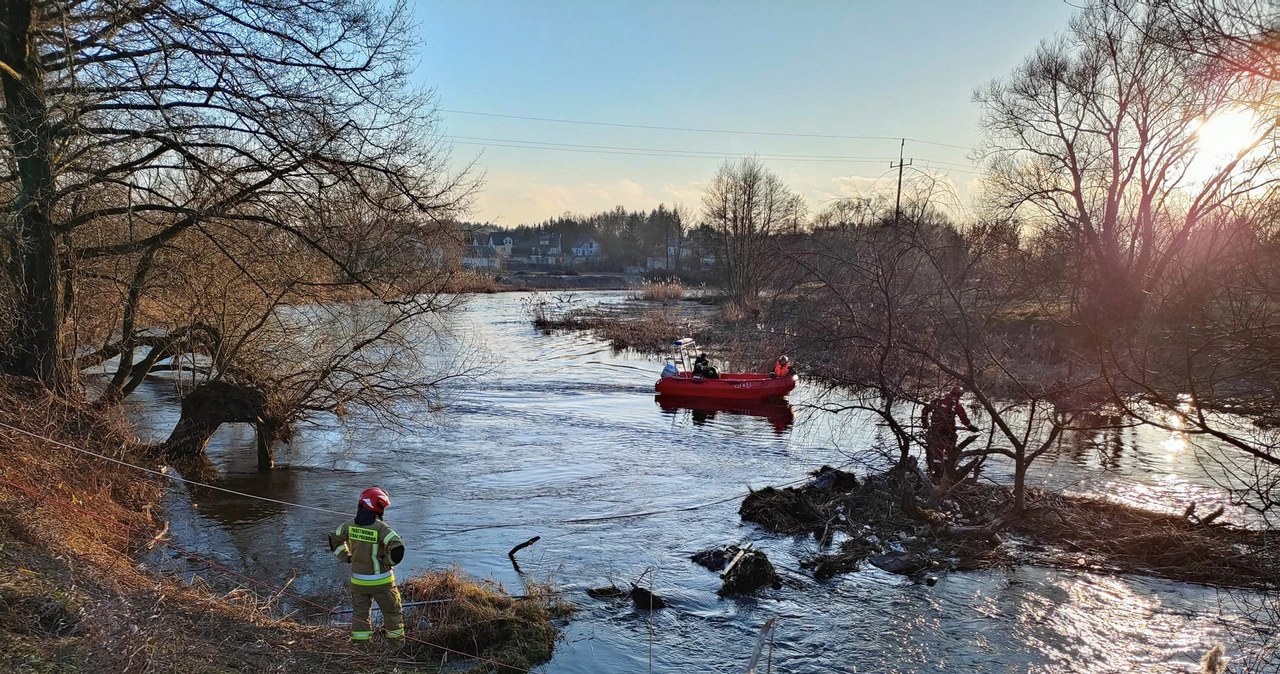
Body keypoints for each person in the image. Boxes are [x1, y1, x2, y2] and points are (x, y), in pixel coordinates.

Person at [328, 487, 406, 645]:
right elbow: (398, 549)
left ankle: (361, 648)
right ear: (377, 507)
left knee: (360, 616)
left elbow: (333, 539)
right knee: (392, 613)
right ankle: (395, 647)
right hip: (382, 582)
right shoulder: (381, 528)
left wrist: (347, 557)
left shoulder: (348, 525)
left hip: (358, 583)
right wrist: (387, 562)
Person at [922, 386, 979, 480]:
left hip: (934, 431)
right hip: (948, 432)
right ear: (959, 395)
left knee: (936, 451)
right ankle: (947, 472)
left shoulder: (937, 401)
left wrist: (925, 422)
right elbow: (963, 418)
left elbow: (925, 410)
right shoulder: (956, 405)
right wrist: (971, 427)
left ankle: (936, 472)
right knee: (950, 451)